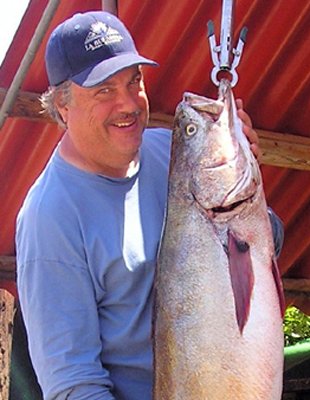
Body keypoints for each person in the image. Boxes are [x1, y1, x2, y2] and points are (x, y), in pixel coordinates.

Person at [16, 10, 284, 400]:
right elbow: (73, 385)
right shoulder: (49, 217)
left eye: (134, 81)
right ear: (62, 104)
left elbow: (267, 249)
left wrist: (251, 196)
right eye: (104, 90)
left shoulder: (170, 151)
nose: (128, 103)